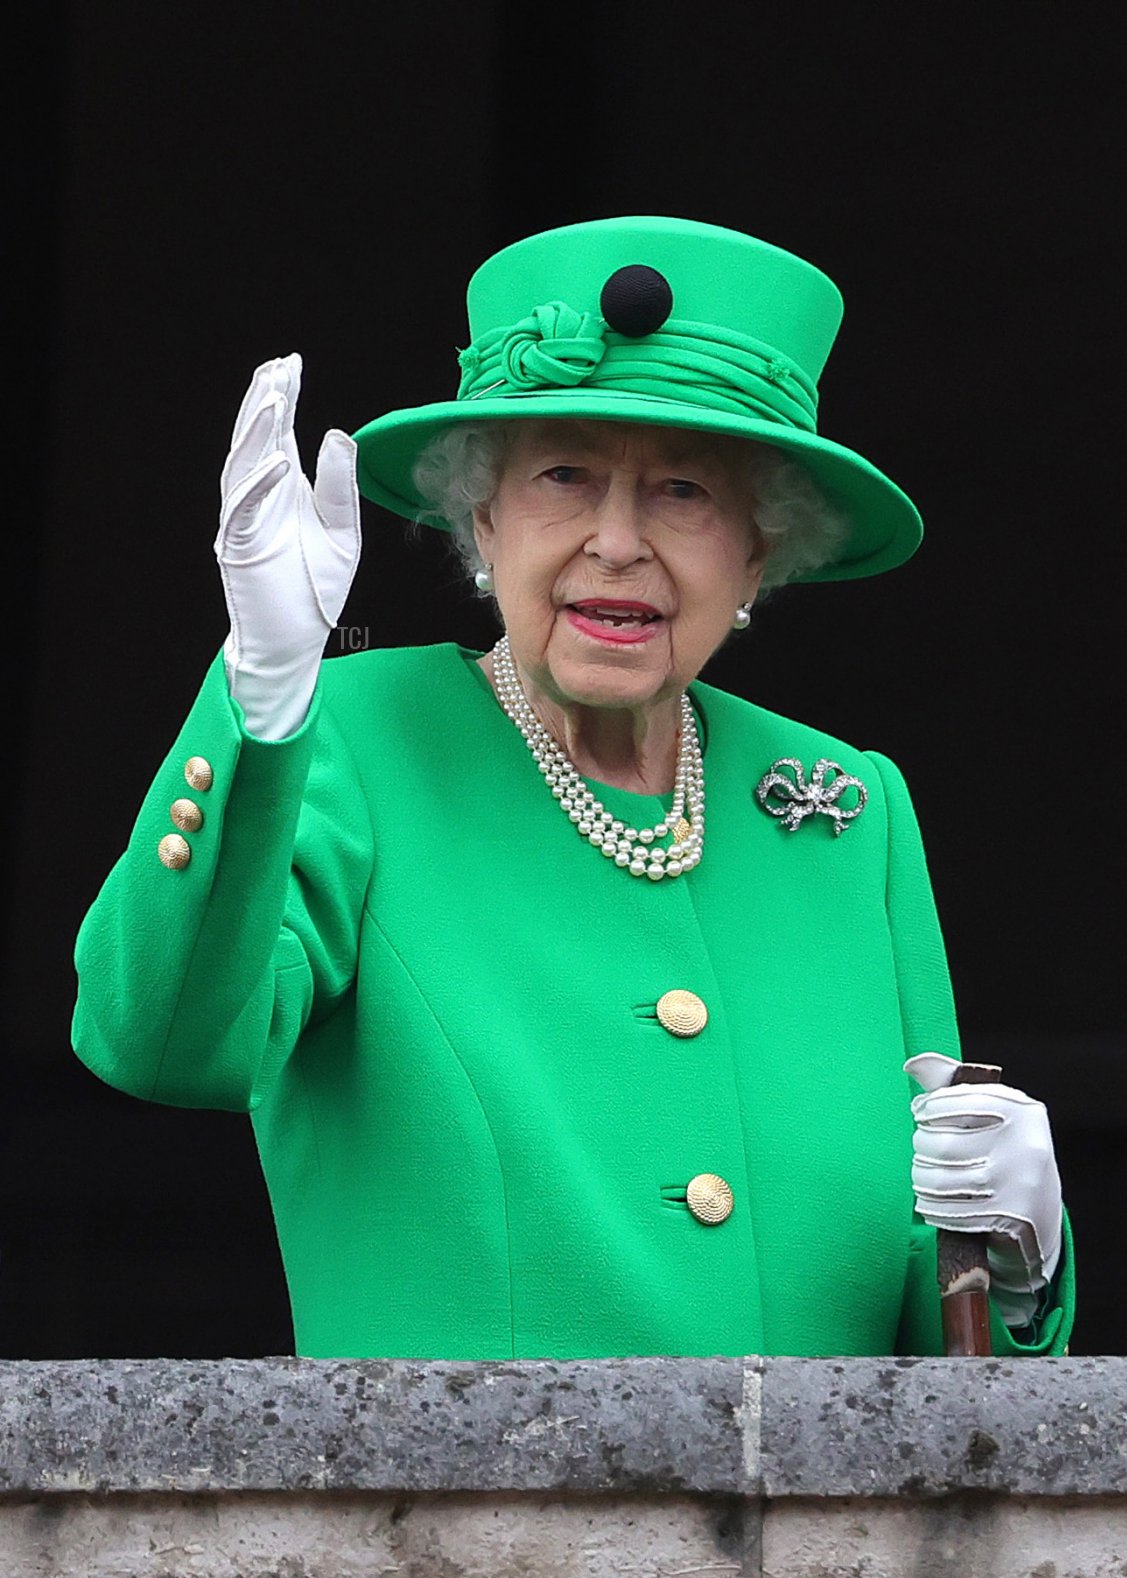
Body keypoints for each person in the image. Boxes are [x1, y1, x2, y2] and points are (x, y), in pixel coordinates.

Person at [72, 216, 1073, 1359]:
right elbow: (160, 1040)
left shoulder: (847, 812)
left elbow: (949, 1362)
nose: (617, 541)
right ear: (483, 518)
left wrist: (1016, 1264)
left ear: (757, 552)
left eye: (683, 490)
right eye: (565, 475)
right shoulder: (351, 741)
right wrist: (261, 698)